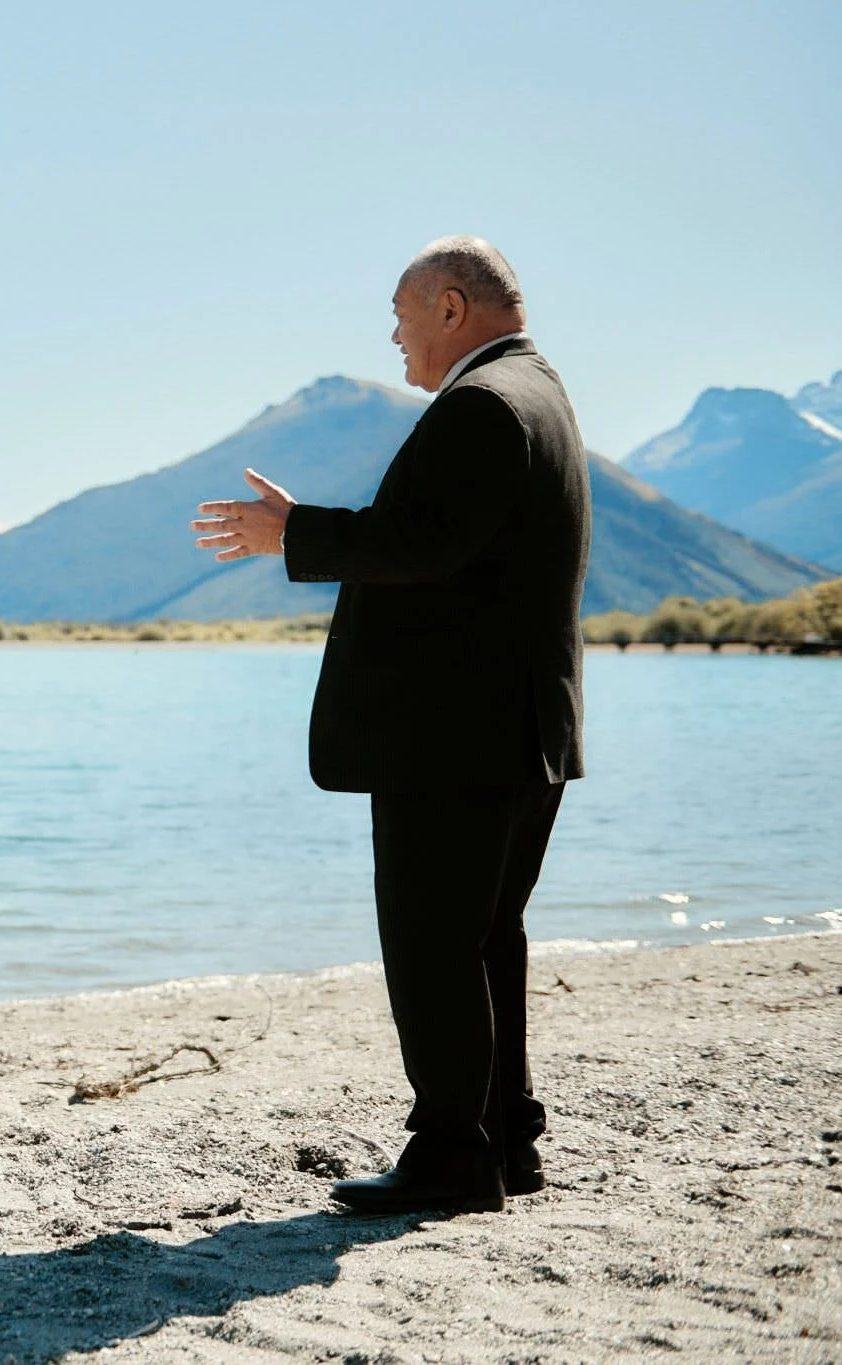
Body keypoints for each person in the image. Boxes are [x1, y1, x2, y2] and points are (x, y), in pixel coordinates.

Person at [190, 236, 589, 1214]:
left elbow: (421, 544)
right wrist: (314, 529)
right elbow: (452, 547)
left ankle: (453, 1155)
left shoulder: (479, 406)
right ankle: (503, 1139)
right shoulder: (537, 395)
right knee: (486, 938)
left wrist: (295, 534)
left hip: (453, 733)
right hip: (518, 728)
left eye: (401, 316)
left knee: (434, 945)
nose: (394, 338)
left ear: (450, 308)